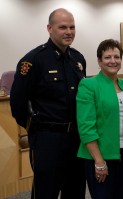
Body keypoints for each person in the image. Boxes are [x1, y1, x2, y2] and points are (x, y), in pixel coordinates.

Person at [10, 8, 86, 199]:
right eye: (63, 27)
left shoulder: (78, 59)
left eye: (72, 27)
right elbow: (18, 104)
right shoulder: (33, 60)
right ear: (49, 28)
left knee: (75, 189)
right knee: (46, 191)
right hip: (48, 139)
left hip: (76, 139)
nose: (69, 31)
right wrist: (35, 129)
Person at [76, 39, 123, 199]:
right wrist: (99, 161)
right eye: (108, 57)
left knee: (120, 195)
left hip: (122, 152)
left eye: (117, 57)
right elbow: (86, 126)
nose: (113, 61)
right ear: (99, 60)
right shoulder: (88, 85)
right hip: (99, 154)